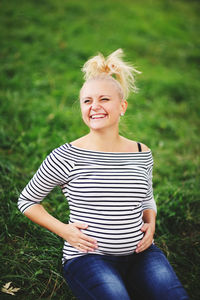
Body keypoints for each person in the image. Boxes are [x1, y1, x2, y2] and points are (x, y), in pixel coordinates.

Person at [18, 49, 189, 300]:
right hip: (88, 258)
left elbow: (146, 198)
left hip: (142, 254)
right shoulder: (66, 156)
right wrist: (64, 231)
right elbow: (27, 201)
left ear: (122, 106)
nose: (94, 107)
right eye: (87, 101)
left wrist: (150, 223)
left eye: (104, 100)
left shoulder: (142, 152)